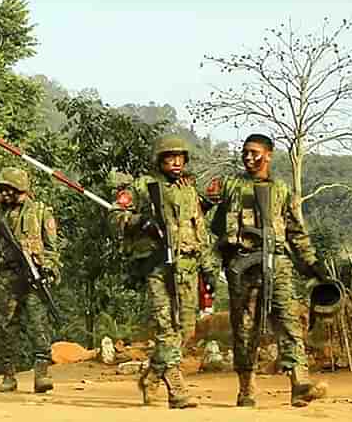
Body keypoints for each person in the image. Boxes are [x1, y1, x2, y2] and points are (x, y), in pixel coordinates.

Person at [208, 133, 328, 407]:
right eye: (245, 153)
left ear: (269, 155)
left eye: (255, 153)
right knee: (244, 327)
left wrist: (312, 263)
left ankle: (299, 382)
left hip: (277, 263)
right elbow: (202, 204)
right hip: (242, 264)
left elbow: (297, 232)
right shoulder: (231, 186)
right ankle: (246, 388)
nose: (249, 158)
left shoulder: (282, 190)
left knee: (288, 322)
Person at [110, 134, 216, 408]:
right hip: (158, 266)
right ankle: (176, 388)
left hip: (188, 267)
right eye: (170, 157)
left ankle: (152, 376)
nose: (176, 162)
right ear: (159, 160)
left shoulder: (188, 190)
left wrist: (208, 269)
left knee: (187, 330)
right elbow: (115, 216)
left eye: (180, 157)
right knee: (166, 326)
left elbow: (199, 230)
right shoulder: (143, 187)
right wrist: (139, 221)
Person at [0, 167, 61, 393]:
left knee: (38, 323)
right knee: (6, 326)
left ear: (19, 188)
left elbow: (52, 248)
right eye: (1, 190)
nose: (3, 194)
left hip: (34, 275)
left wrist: (49, 268)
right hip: (7, 275)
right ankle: (8, 375)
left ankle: (42, 374)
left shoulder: (41, 212)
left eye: (7, 189)